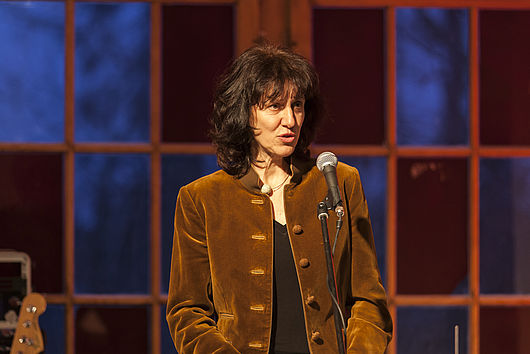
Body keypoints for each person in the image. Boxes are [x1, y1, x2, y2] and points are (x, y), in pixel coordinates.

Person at [166, 43, 392, 353]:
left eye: (297, 105)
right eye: (275, 106)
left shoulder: (340, 182)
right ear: (246, 113)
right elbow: (187, 314)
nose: (290, 119)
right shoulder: (201, 199)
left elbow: (368, 301)